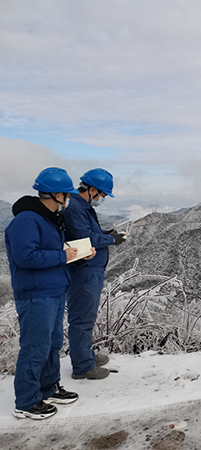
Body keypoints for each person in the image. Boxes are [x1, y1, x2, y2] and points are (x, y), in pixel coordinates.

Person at [5, 168, 95, 420]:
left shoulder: (49, 219)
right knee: (35, 347)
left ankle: (47, 388)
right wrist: (62, 256)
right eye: (65, 195)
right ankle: (26, 401)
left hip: (54, 290)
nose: (67, 200)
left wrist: (78, 254)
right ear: (55, 194)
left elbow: (53, 253)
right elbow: (25, 256)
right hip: (35, 294)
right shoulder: (26, 221)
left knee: (52, 344)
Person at [64, 168, 126, 380]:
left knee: (86, 317)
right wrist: (111, 240)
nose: (103, 199)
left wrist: (107, 234)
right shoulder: (75, 207)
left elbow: (89, 233)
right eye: (102, 194)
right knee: (82, 318)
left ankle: (85, 355)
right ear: (92, 190)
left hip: (90, 269)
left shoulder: (82, 205)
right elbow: (84, 238)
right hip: (83, 270)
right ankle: (82, 366)